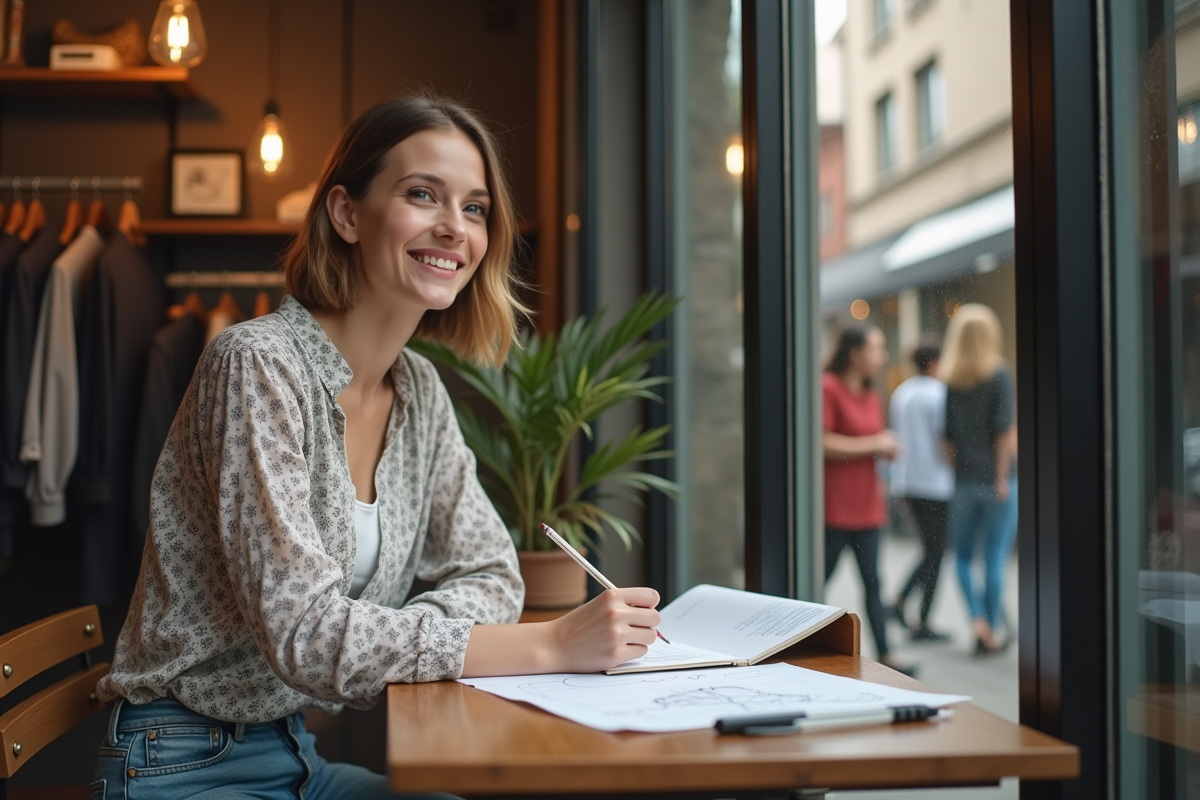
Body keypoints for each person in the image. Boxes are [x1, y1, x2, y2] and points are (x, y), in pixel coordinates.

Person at [91, 96, 662, 800]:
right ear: (347, 214)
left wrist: (392, 634)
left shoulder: (419, 390)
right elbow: (306, 634)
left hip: (291, 751)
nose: (455, 227)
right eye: (423, 194)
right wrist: (549, 645)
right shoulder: (256, 366)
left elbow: (492, 573)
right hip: (180, 761)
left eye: (476, 208)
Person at [822, 323, 913, 675]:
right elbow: (823, 442)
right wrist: (876, 444)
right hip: (835, 507)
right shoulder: (828, 387)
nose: (882, 356)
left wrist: (883, 448)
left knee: (875, 583)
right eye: (876, 348)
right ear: (855, 353)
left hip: (868, 505)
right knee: (819, 581)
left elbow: (868, 440)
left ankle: (887, 654)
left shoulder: (871, 392)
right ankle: (796, 644)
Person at [940, 303, 1017, 656]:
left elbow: (948, 440)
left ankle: (977, 620)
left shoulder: (952, 380)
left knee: (962, 557)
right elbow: (1004, 433)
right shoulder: (999, 375)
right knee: (995, 556)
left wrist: (959, 472)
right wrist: (1001, 477)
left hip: (964, 482)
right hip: (996, 481)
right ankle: (990, 626)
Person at [888, 337, 955, 642]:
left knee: (931, 548)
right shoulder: (939, 394)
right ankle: (920, 618)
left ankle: (904, 604)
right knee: (935, 550)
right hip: (936, 482)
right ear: (933, 363)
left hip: (908, 481)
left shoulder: (901, 393)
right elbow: (945, 441)